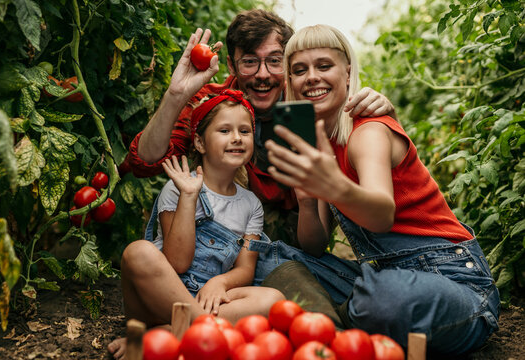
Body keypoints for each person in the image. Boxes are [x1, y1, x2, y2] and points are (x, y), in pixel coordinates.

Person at [261, 24, 500, 355]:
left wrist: (336, 186)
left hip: (454, 286)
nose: (311, 77)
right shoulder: (319, 148)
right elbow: (314, 246)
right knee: (270, 256)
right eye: (299, 70)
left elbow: (381, 214)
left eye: (324, 66)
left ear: (348, 73)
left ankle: (325, 324)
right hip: (378, 278)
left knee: (387, 297)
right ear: (291, 83)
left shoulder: (368, 131)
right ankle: (342, 323)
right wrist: (306, 199)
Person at [127, 9, 396, 244]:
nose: (263, 74)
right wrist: (176, 95)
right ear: (231, 65)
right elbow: (144, 162)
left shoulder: (309, 105)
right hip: (215, 225)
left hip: (295, 231)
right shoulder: (208, 104)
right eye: (250, 62)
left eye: (275, 61)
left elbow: (358, 143)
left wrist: (380, 108)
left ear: (289, 64)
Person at [108, 32, 284, 360]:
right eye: (225, 131)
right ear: (200, 144)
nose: (237, 138)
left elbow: (245, 269)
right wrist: (189, 197)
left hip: (209, 298)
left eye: (245, 131)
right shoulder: (180, 186)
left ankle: (171, 334)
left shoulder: (250, 205)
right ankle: (205, 331)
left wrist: (222, 283)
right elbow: (176, 262)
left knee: (272, 299)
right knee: (138, 253)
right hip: (160, 295)